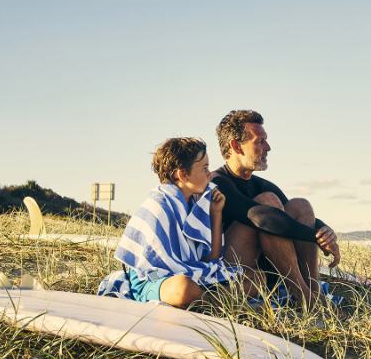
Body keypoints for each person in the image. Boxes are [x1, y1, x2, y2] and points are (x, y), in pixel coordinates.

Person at [211, 110, 341, 308]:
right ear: (236, 146)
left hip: (267, 269)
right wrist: (315, 236)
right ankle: (304, 296)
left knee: (300, 205)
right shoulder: (217, 181)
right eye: (260, 142)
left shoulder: (262, 184)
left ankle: (313, 292)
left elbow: (297, 219)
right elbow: (263, 218)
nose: (268, 147)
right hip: (236, 273)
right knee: (268, 204)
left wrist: (327, 234)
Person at [97, 137, 242, 308]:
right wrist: (188, 276)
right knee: (183, 288)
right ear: (182, 174)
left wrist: (216, 213)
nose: (210, 174)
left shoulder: (196, 205)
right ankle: (217, 302)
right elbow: (154, 272)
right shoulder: (156, 207)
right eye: (204, 168)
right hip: (153, 283)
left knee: (254, 277)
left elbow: (212, 258)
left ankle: (208, 301)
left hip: (192, 276)